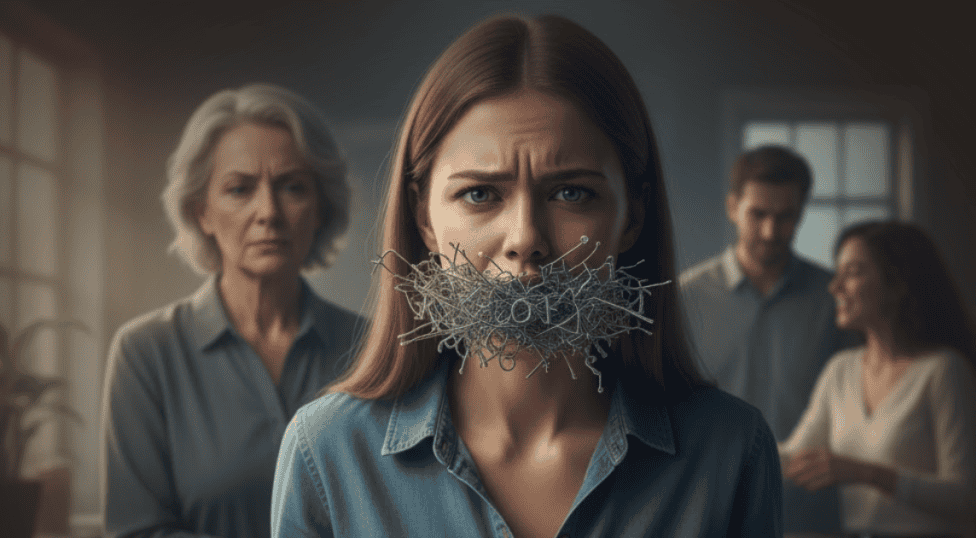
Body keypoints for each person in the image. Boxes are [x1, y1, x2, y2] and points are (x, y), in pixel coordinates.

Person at [271, 14, 782, 538]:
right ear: (423, 217)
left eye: (572, 193)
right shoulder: (327, 453)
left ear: (632, 215)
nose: (525, 238)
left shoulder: (731, 452)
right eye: (480, 194)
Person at [102, 83, 365, 538]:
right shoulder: (145, 353)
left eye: (293, 187)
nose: (268, 212)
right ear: (201, 211)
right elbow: (137, 532)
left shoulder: (370, 347)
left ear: (320, 207)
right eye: (240, 189)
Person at [678, 144, 857, 532]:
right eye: (758, 214)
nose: (771, 231)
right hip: (715, 509)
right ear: (732, 207)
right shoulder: (685, 300)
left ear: (802, 213)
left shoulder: (836, 300)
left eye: (786, 216)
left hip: (811, 514)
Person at [780, 220, 976, 537]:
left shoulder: (944, 370)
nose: (835, 287)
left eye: (853, 272)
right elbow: (796, 455)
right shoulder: (841, 370)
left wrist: (865, 473)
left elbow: (966, 497)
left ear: (897, 283)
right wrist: (731, 450)